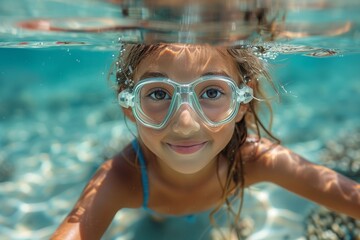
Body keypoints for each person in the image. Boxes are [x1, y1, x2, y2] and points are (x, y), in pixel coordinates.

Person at [51, 43, 360, 240]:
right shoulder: (121, 178)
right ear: (129, 107)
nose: (186, 124)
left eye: (212, 92)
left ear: (241, 102)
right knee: (156, 218)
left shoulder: (257, 160)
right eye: (158, 93)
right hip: (148, 195)